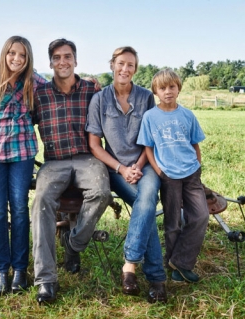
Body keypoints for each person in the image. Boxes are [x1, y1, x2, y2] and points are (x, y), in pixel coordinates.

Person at [31, 38, 112, 304]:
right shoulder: (39, 94)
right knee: (41, 200)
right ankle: (46, 279)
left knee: (101, 192)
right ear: (51, 62)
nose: (62, 62)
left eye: (67, 56)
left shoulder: (91, 89)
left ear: (75, 60)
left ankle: (73, 243)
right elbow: (19, 121)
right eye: (57, 57)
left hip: (87, 158)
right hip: (54, 161)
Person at [86, 46, 167, 303]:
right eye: (121, 63)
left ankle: (130, 265)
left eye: (130, 64)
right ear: (112, 65)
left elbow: (150, 139)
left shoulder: (145, 97)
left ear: (135, 68)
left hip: (145, 164)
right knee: (146, 207)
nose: (125, 69)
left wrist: (139, 165)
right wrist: (122, 169)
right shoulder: (99, 100)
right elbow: (94, 145)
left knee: (146, 201)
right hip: (115, 169)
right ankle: (157, 279)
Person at [0, 35, 46, 295]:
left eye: (22, 55)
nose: (17, 59)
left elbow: (59, 89)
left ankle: (20, 270)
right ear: (5, 53)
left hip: (23, 153)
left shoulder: (34, 82)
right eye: (12, 53)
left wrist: (90, 84)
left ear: (28, 59)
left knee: (20, 208)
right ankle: (0, 270)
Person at [137, 68, 209, 284]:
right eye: (162, 88)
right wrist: (159, 171)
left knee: (200, 216)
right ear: (156, 92)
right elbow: (148, 147)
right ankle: (174, 265)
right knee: (173, 222)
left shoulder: (187, 115)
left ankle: (181, 261)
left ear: (178, 89)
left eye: (172, 87)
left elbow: (194, 142)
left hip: (191, 173)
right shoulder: (150, 117)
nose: (167, 91)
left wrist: (197, 163)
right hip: (169, 175)